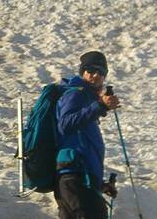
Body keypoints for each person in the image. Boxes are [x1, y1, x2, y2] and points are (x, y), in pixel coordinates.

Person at [53, 51, 120, 219]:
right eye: (91, 70)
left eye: (101, 72)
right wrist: (100, 106)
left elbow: (81, 142)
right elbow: (65, 124)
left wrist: (100, 185)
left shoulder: (88, 99)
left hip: (76, 178)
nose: (96, 75)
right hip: (75, 177)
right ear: (82, 71)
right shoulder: (76, 93)